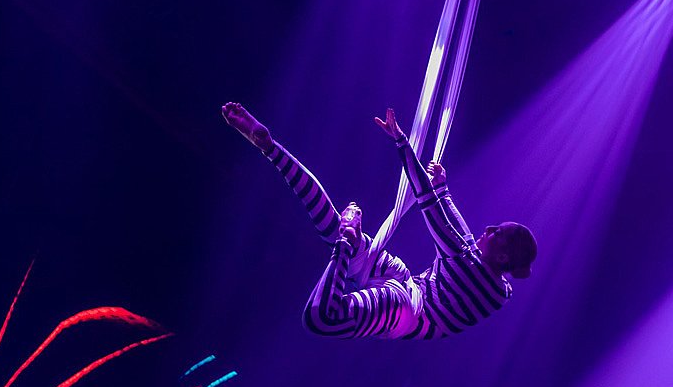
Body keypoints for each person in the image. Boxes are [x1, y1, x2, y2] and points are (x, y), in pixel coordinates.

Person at [221, 102, 536, 339]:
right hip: (406, 281)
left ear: (503, 255)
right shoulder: (498, 288)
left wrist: (401, 141)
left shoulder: (468, 266)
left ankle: (345, 240)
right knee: (332, 227)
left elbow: (427, 203)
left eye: (497, 232)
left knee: (323, 317)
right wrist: (444, 190)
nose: (488, 229)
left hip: (409, 310)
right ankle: (270, 148)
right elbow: (459, 234)